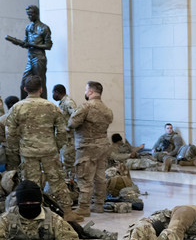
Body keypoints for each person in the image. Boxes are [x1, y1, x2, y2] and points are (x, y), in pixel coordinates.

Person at [5, 75, 73, 218]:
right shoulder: (52, 107)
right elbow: (62, 130)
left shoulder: (17, 107)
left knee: (31, 183)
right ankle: (67, 213)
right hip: (49, 150)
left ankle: (36, 214)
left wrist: (15, 149)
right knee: (58, 181)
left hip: (28, 151)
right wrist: (57, 145)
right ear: (41, 89)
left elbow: (10, 132)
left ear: (25, 89)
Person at [68, 81, 114, 219]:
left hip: (86, 147)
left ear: (91, 92)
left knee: (84, 177)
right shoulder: (107, 110)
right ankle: (99, 204)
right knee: (100, 177)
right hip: (103, 146)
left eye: (86, 89)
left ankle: (83, 207)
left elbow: (72, 123)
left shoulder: (85, 107)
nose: (85, 92)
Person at [4, 5, 52, 99]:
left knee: (40, 83)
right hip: (30, 58)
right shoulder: (28, 27)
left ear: (36, 14)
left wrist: (33, 45)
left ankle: (43, 105)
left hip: (39, 58)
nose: (29, 17)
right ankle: (24, 105)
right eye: (28, 15)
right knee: (23, 84)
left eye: (30, 14)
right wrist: (16, 42)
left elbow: (48, 45)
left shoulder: (44, 28)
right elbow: (26, 43)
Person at [51, 84, 78, 178]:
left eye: (53, 92)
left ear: (57, 92)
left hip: (69, 139)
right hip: (64, 139)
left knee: (69, 162)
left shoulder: (68, 102)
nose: (52, 95)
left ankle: (72, 184)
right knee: (65, 162)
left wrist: (68, 128)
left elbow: (76, 117)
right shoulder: (63, 102)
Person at [0, 95, 20, 170]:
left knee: (12, 173)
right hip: (25, 149)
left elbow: (1, 138)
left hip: (9, 152)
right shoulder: (24, 118)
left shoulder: (2, 119)